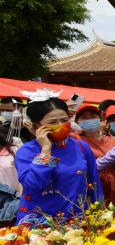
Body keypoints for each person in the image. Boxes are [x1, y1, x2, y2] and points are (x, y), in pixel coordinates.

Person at [15, 95, 102, 225]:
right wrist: (45, 150)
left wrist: (100, 213)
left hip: (78, 222)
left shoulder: (80, 146)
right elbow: (35, 185)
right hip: (39, 224)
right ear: (36, 126)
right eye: (52, 122)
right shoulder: (27, 151)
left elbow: (94, 184)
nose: (61, 125)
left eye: (64, 120)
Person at [74, 104, 115, 207]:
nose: (89, 120)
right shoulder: (75, 139)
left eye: (92, 116)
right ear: (77, 122)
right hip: (91, 187)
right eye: (84, 118)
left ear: (100, 119)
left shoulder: (112, 140)